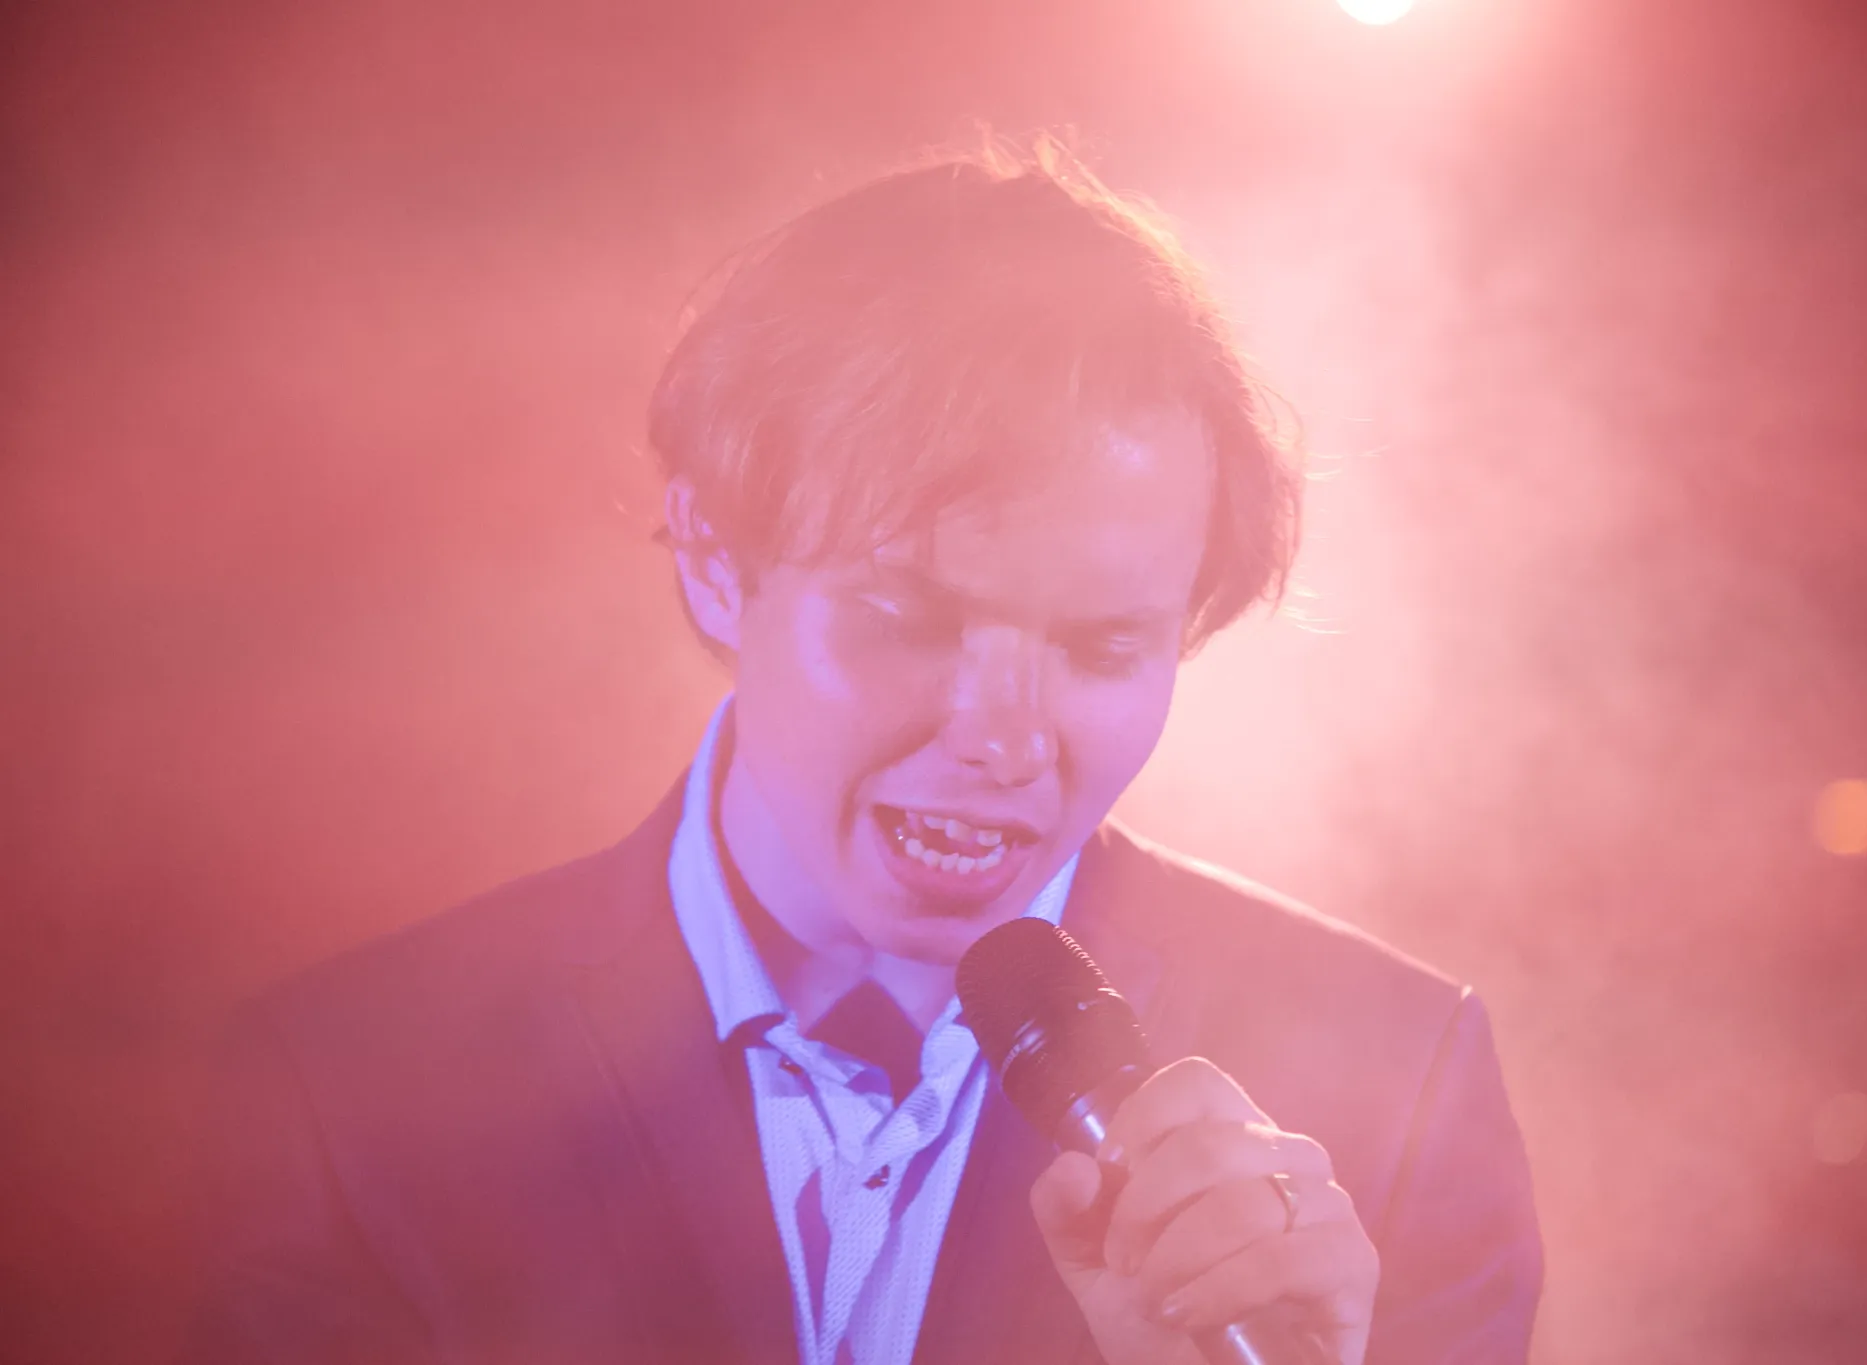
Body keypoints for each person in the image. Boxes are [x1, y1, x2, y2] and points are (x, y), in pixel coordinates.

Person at [181, 143, 1543, 1365]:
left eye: (1103, 647)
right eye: (909, 619)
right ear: (714, 559)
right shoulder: (341, 1098)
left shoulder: (1398, 1093)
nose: (1004, 738)